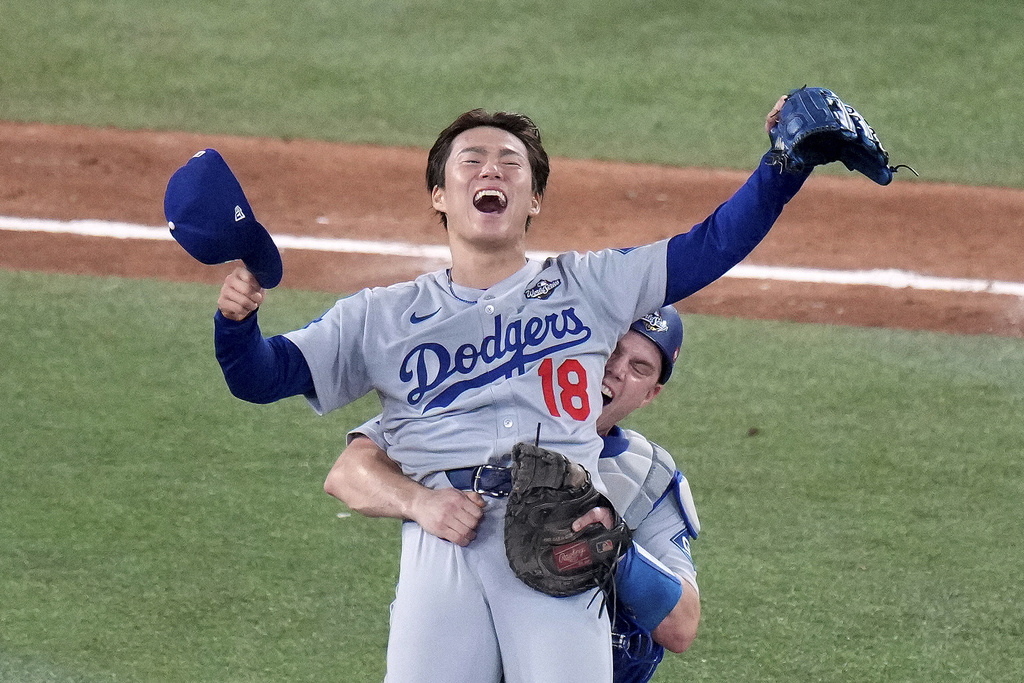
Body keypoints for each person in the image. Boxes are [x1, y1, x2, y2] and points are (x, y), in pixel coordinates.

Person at [213, 97, 808, 682]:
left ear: (535, 200)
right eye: (470, 160)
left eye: (511, 162)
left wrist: (783, 167)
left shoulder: (592, 285)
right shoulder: (379, 317)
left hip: (563, 540)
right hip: (442, 542)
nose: (491, 169)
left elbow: (713, 244)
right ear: (440, 196)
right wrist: (236, 326)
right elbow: (262, 377)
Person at [326, 306, 700, 683]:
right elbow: (349, 472)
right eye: (613, 349)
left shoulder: (646, 473)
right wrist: (419, 501)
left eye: (639, 368)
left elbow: (681, 625)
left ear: (650, 394)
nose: (617, 369)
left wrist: (613, 552)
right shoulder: (480, 404)